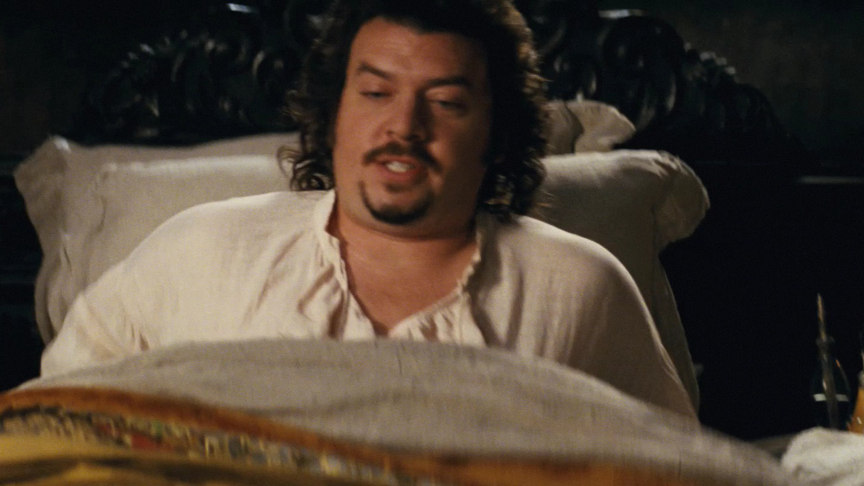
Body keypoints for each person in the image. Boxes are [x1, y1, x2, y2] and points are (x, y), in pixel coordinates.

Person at [40, 0, 695, 417]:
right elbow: (54, 419)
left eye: (446, 101)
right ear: (334, 115)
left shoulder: (578, 286)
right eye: (376, 93)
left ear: (496, 134)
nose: (403, 127)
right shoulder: (202, 249)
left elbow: (664, 461)